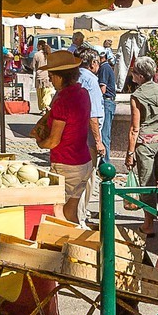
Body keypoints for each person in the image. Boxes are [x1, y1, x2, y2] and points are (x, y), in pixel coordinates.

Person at [35, 50, 94, 223]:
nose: (50, 80)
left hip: (66, 164)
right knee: (71, 213)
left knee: (57, 211)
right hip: (84, 162)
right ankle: (79, 244)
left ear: (61, 77)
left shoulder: (63, 101)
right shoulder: (83, 93)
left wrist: (40, 143)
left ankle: (65, 245)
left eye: (52, 76)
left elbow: (53, 141)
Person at [126, 56, 158, 235]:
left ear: (141, 76)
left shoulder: (137, 96)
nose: (132, 75)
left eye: (134, 72)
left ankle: (149, 223)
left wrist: (130, 153)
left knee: (147, 182)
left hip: (145, 143)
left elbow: (134, 128)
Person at [97, 47, 118, 157]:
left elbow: (102, 89)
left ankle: (105, 162)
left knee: (104, 135)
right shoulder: (106, 67)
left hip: (106, 102)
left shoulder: (104, 68)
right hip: (108, 102)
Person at [33, 39, 53, 112]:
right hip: (47, 76)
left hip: (39, 76)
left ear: (40, 46)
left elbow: (33, 66)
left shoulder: (36, 55)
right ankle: (47, 105)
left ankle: (43, 108)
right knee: (47, 93)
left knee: (40, 94)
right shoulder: (49, 54)